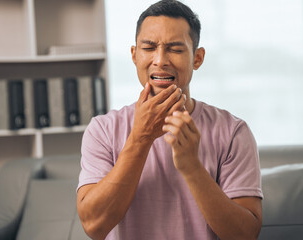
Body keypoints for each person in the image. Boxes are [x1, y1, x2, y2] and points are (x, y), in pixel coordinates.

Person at [77, 0, 263, 239]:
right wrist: (141, 138)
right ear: (134, 55)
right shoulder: (102, 130)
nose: (160, 60)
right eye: (149, 48)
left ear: (197, 58)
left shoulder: (233, 132)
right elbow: (94, 226)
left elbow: (245, 235)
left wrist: (193, 168)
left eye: (175, 49)